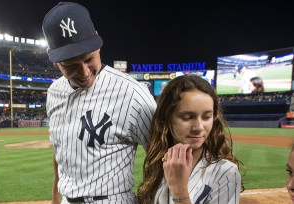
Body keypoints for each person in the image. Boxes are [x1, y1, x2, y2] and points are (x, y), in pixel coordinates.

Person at [42, 2, 156, 203]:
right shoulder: (53, 92)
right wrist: (55, 199)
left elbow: (161, 157)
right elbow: (59, 153)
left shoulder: (133, 93)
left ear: (97, 41)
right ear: (53, 58)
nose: (85, 72)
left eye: (89, 59)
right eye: (70, 66)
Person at [138, 75, 243, 204]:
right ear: (167, 118)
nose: (199, 127)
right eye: (188, 117)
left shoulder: (225, 172)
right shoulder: (160, 161)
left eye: (206, 117)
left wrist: (179, 190)